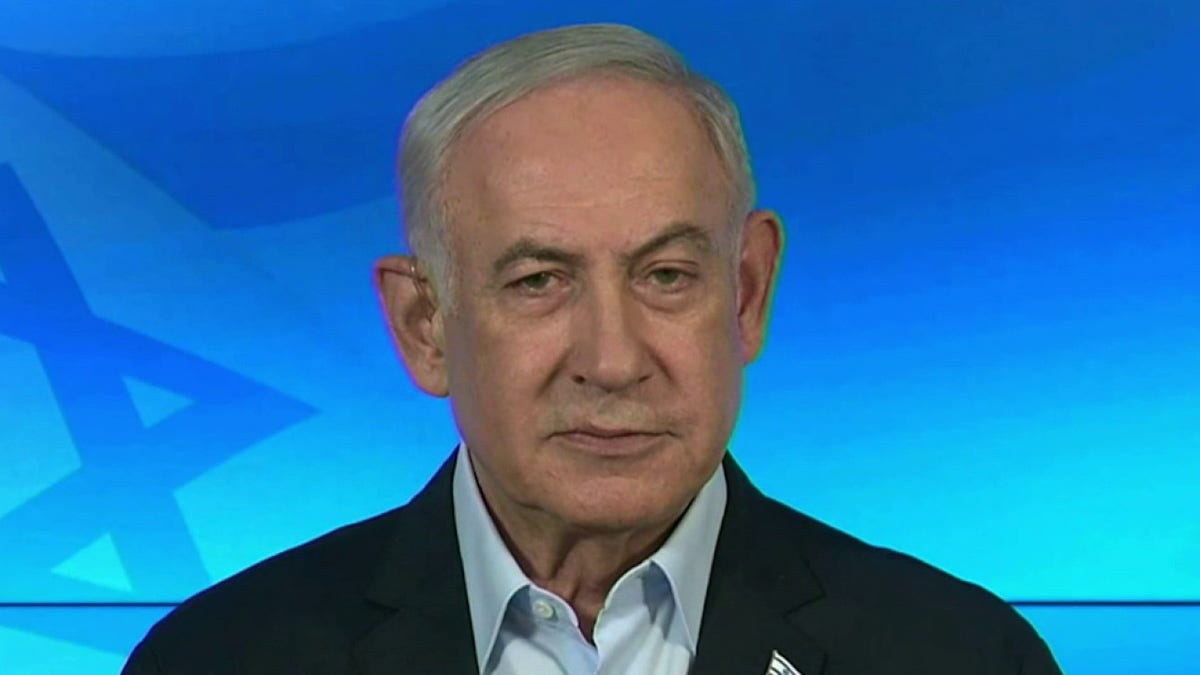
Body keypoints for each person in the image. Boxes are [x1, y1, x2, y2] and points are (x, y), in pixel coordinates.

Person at [122, 23, 1062, 675]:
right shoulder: (221, 658)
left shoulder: (963, 656)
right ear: (425, 324)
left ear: (747, 292)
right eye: (540, 281)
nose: (612, 360)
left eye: (666, 275)